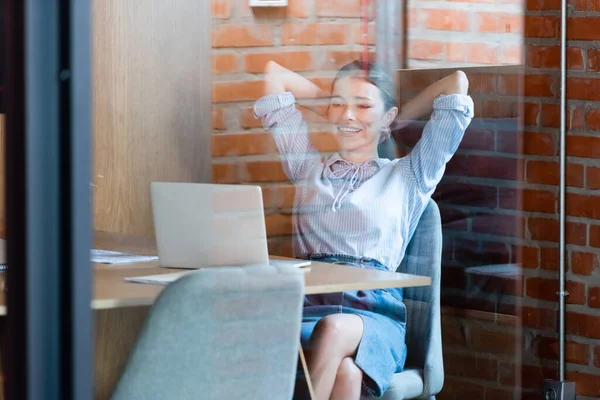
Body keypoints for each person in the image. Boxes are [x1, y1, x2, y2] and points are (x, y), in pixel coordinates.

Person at [253, 60, 473, 400]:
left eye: (363, 105)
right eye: (339, 105)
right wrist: (338, 105)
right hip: (310, 305)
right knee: (346, 373)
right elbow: (275, 75)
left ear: (388, 117)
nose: (348, 115)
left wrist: (390, 118)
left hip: (374, 312)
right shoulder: (307, 169)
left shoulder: (409, 176)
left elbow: (456, 83)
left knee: (334, 328)